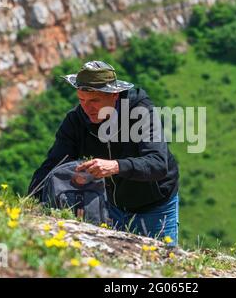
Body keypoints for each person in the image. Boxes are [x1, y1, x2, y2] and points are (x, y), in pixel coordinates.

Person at [28, 60, 180, 246]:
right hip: (111, 206)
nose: (86, 108)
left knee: (161, 263)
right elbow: (52, 165)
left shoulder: (139, 111)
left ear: (114, 95)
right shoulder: (76, 122)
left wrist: (115, 166)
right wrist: (29, 204)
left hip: (155, 205)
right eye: (81, 100)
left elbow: (158, 164)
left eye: (94, 101)